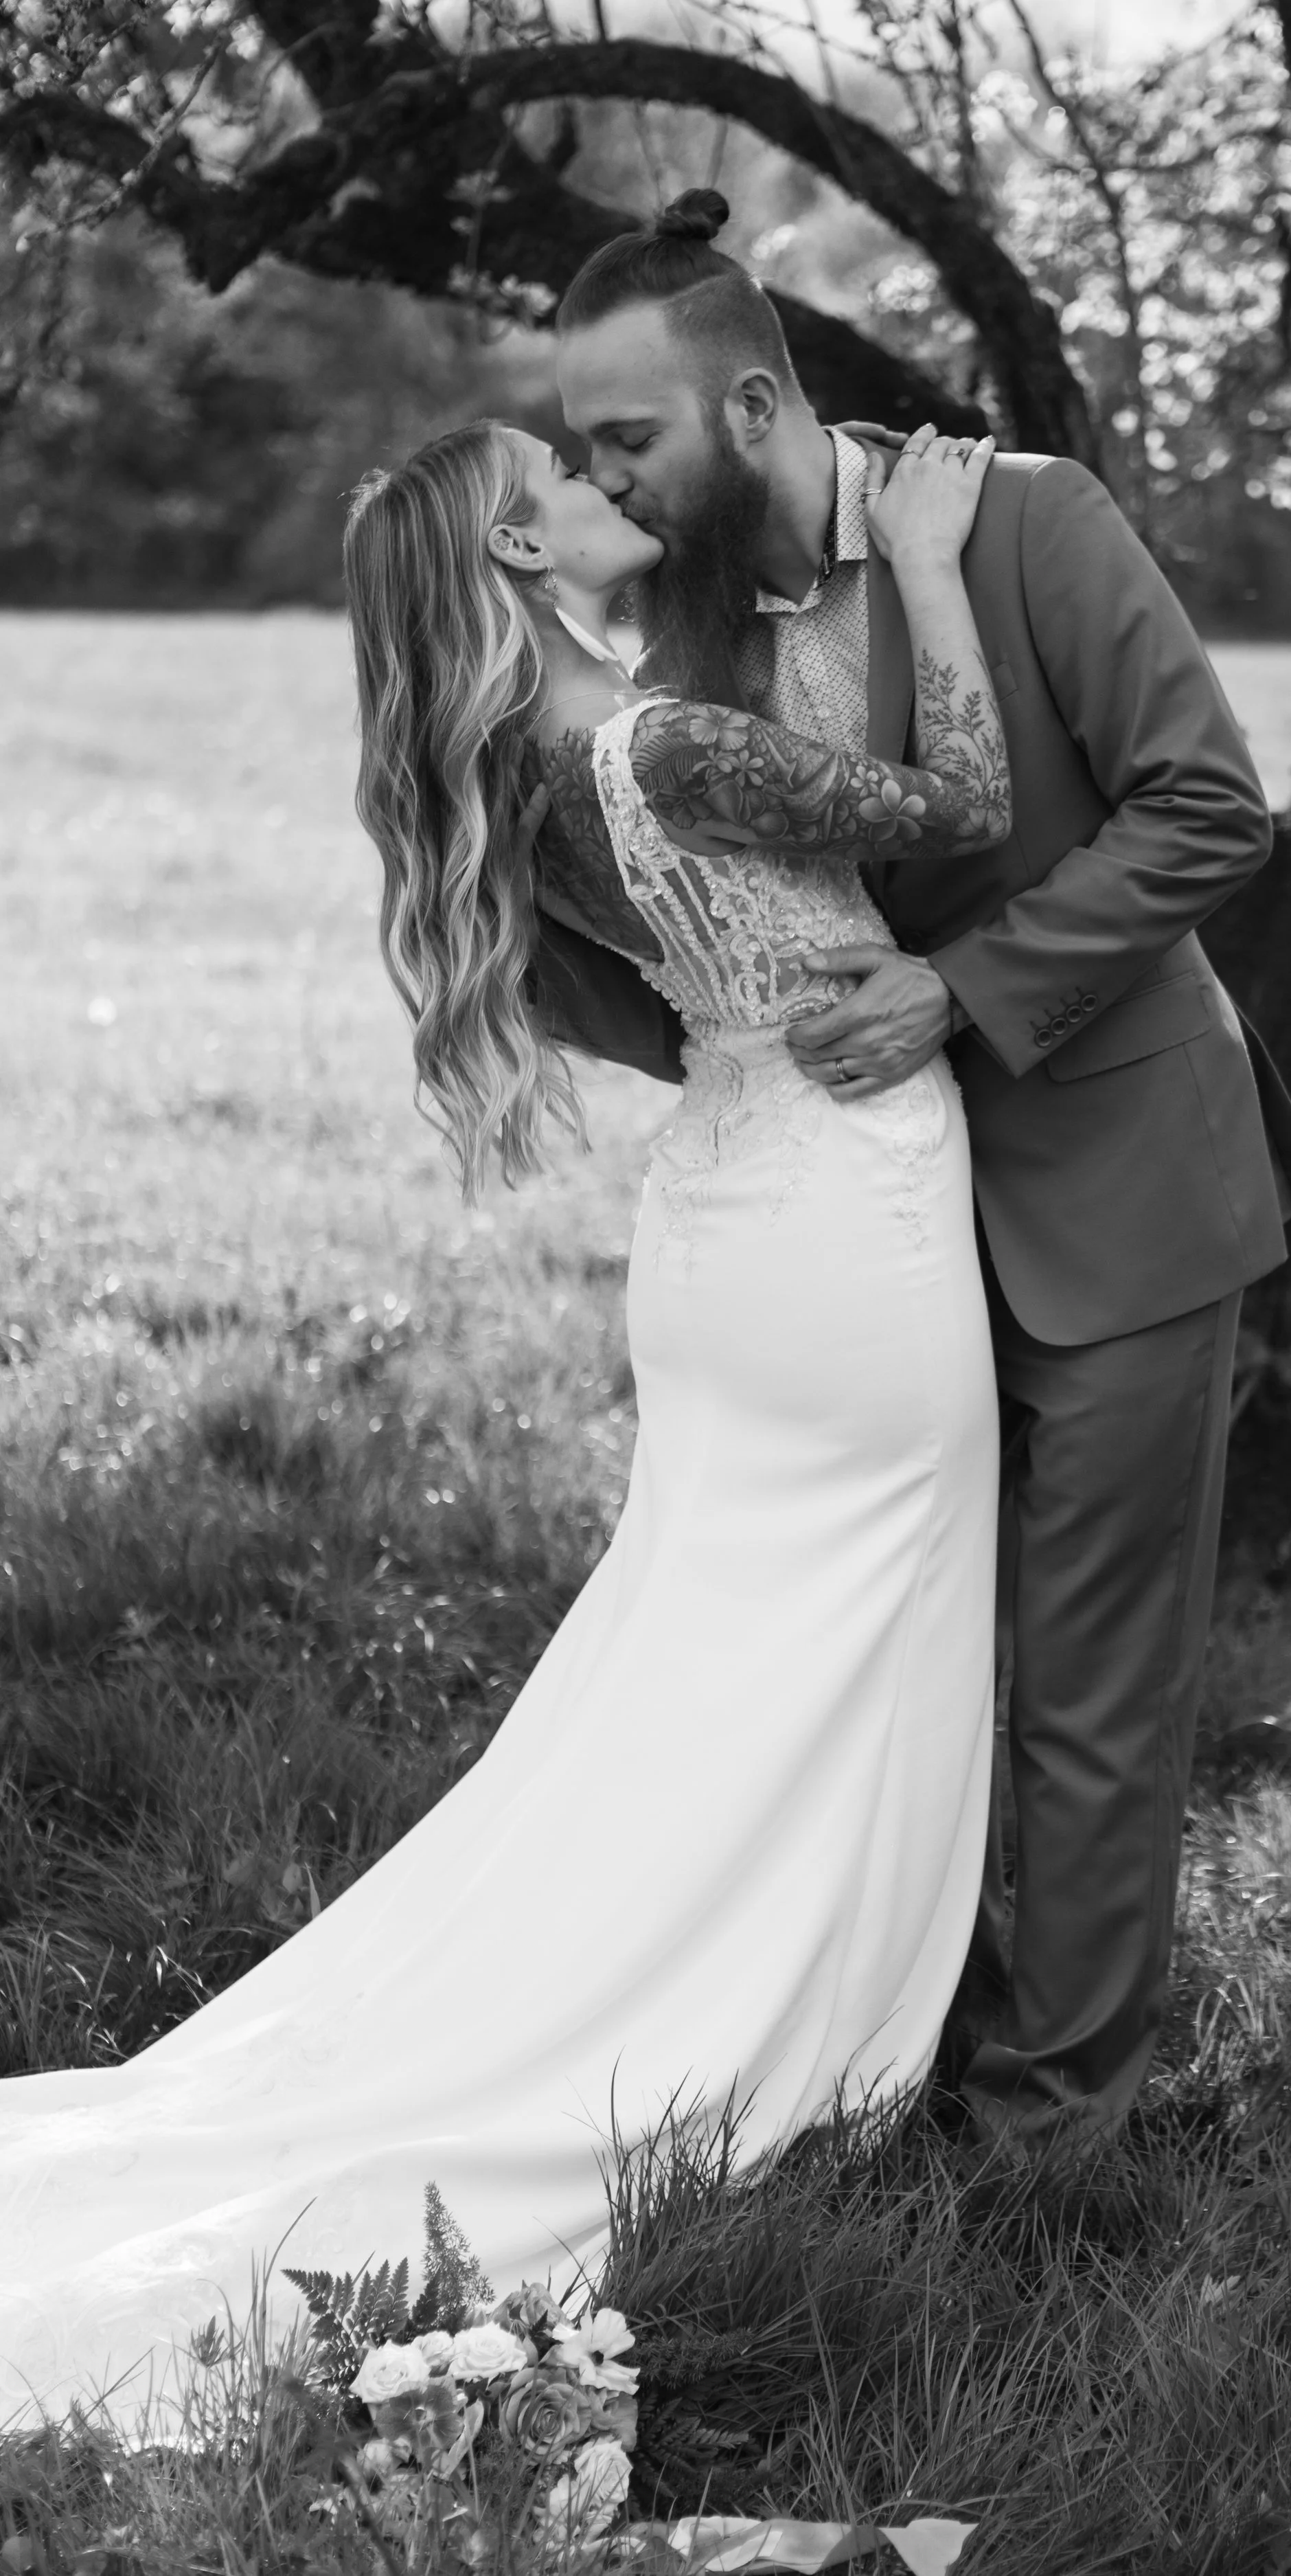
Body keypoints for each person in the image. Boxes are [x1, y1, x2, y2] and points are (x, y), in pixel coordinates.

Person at [0, 416, 1009, 2429]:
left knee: (716, 1657)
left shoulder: (538, 773)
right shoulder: (658, 750)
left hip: (732, 1209)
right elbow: (963, 812)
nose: (598, 476)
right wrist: (925, 552)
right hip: (840, 1216)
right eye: (555, 472)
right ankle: (761, 2035)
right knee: (833, 1646)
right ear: (519, 555)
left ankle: (699, 1986)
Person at [527, 190, 1291, 2144]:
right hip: (867, 1236)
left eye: (622, 437)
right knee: (897, 1670)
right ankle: (869, 2053)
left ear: (744, 401)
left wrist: (959, 992)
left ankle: (1046, 2131)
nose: (593, 477)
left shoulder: (1025, 523)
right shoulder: (682, 630)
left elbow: (1205, 807)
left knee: (1084, 1686)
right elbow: (722, 932)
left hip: (1120, 1184)